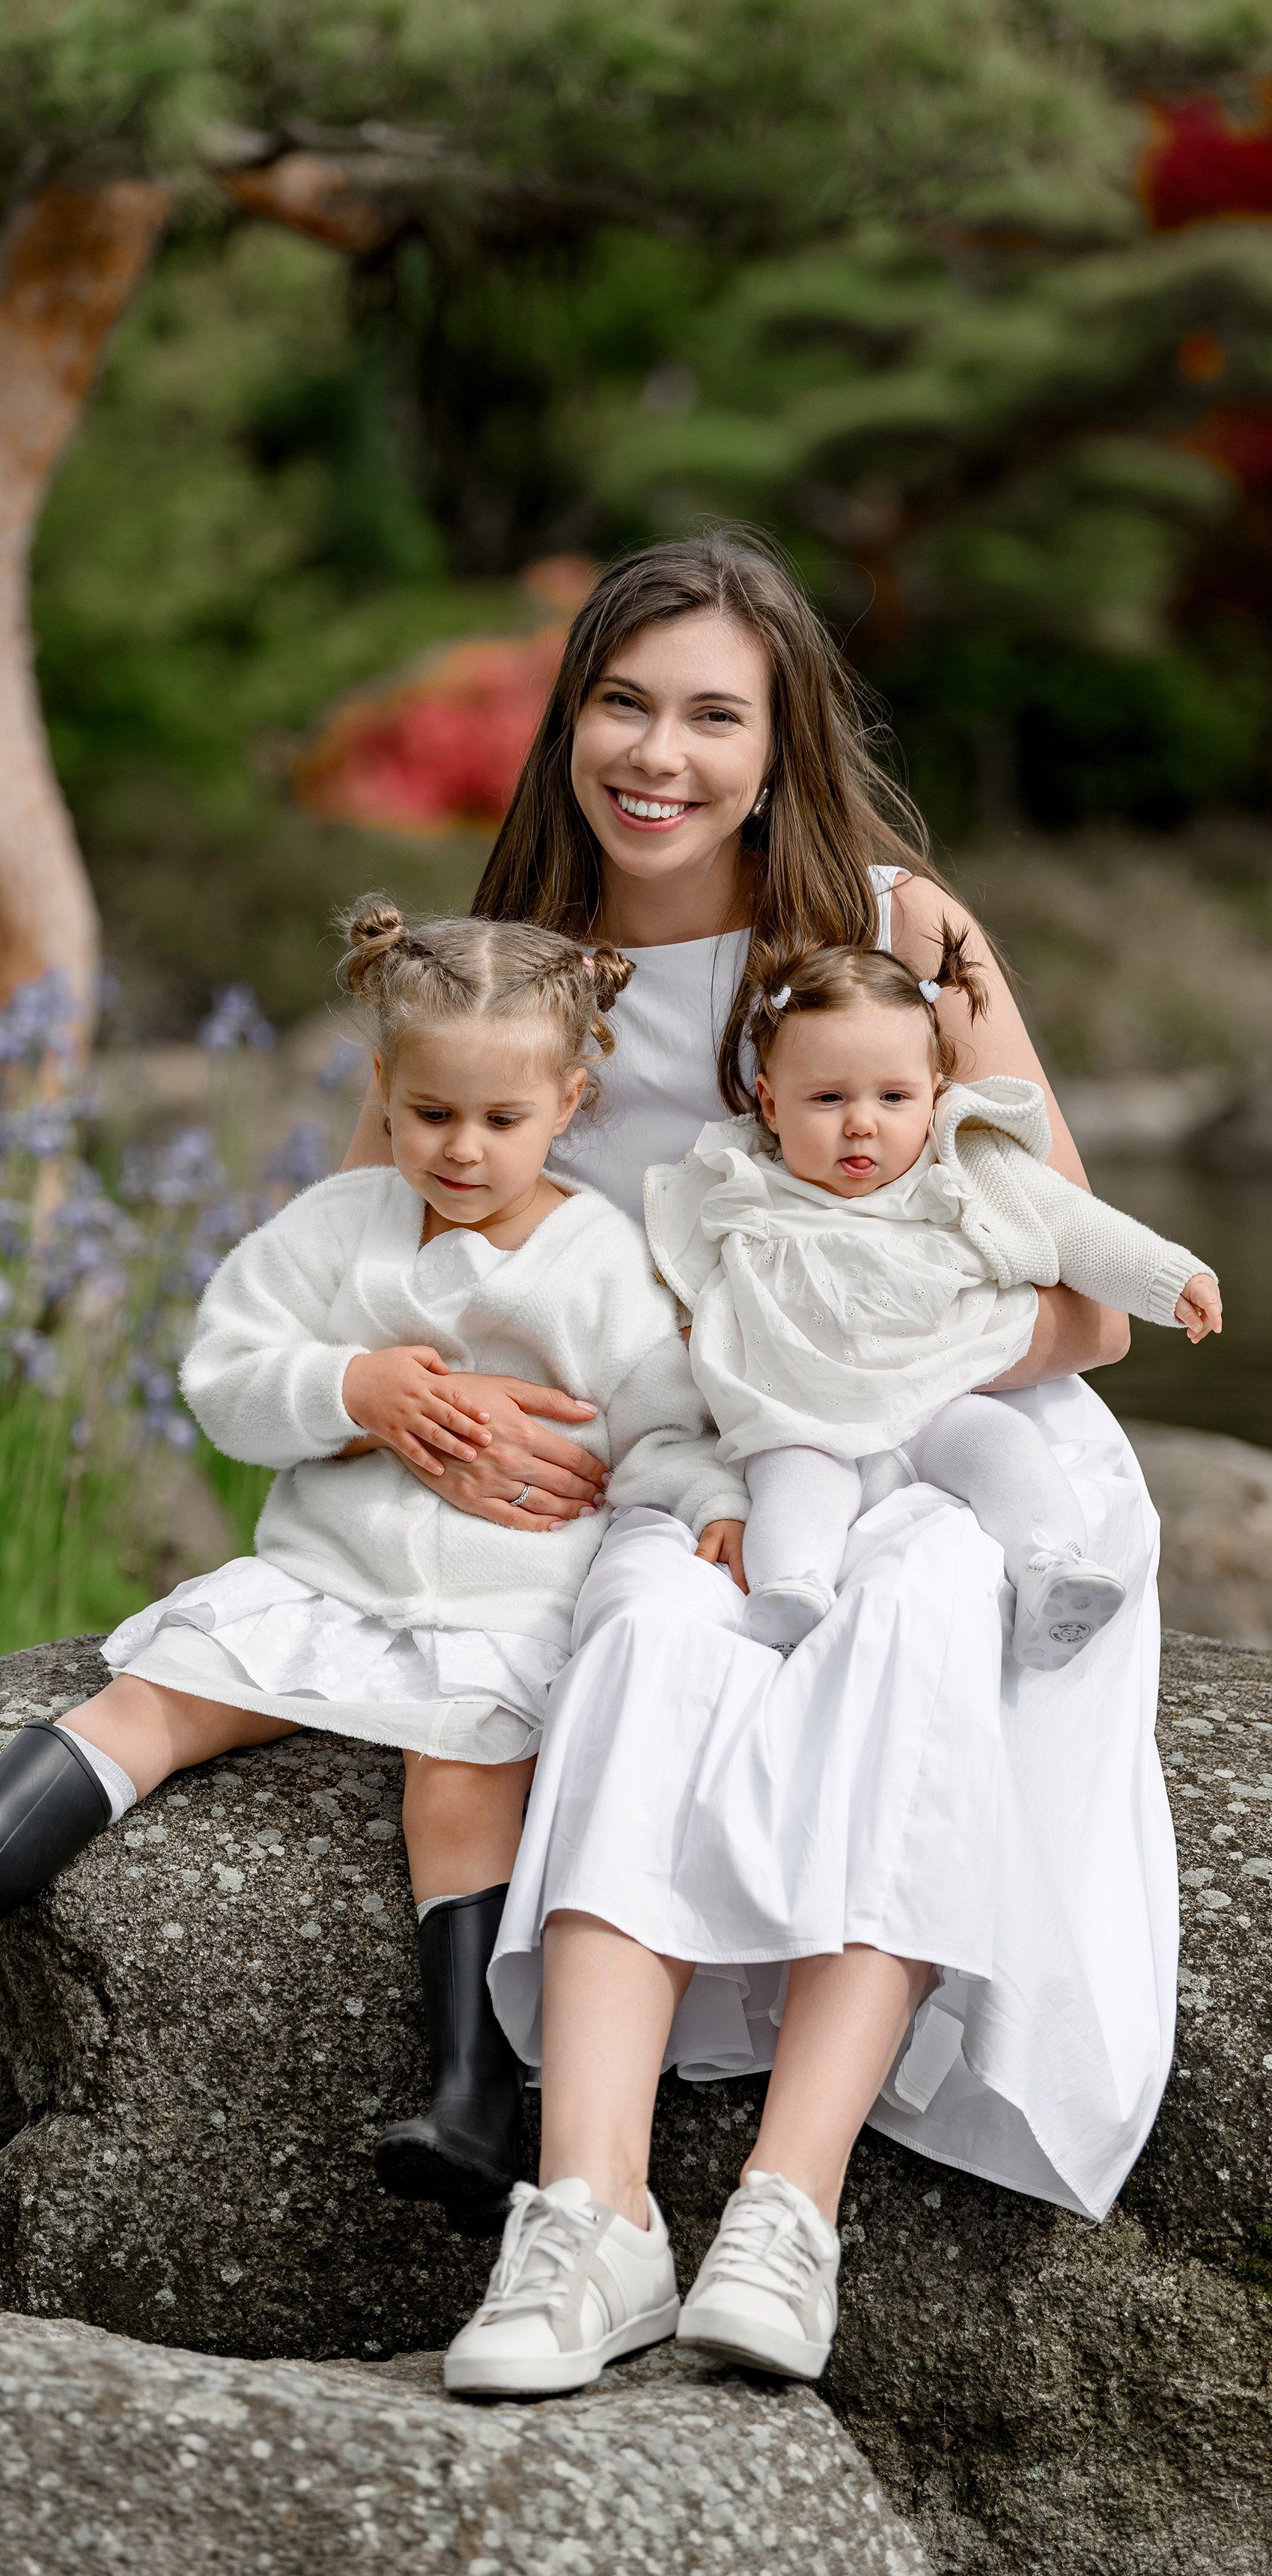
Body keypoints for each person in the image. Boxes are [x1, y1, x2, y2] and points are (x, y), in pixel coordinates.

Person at [325, 531, 1176, 2401]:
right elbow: (401, 1254)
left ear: (780, 741)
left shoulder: (897, 930)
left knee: (913, 1608)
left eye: (714, 713)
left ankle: (784, 2214)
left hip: (955, 1431)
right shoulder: (515, 976)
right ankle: (589, 2214)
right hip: (696, 1453)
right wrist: (390, 1386)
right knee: (642, 1627)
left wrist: (863, 1386)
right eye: (622, 702)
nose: (660, 752)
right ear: (567, 724)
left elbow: (1081, 1296)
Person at [0, 901, 745, 2236]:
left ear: (571, 1102)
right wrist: (346, 1385)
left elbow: (659, 1427)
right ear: (383, 1093)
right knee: (158, 1692)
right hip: (330, 1576)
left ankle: (473, 2104)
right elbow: (225, 1381)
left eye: (500, 1122)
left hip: (501, 1603)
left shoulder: (600, 1265)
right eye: (430, 1116)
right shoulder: (337, 1227)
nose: (460, 1151)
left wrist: (709, 1504)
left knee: (461, 1783)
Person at [646, 931, 1221, 1663]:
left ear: (936, 1097)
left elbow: (1079, 1228)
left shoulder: (965, 1172)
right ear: (770, 1103)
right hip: (806, 1414)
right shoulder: (740, 1191)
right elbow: (683, 1300)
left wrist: (1171, 1280)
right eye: (827, 1098)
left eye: (893, 1097)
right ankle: (790, 1591)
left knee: (1004, 1445)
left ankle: (1051, 1569)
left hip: (940, 1401)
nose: (862, 1122)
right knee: (791, 1478)